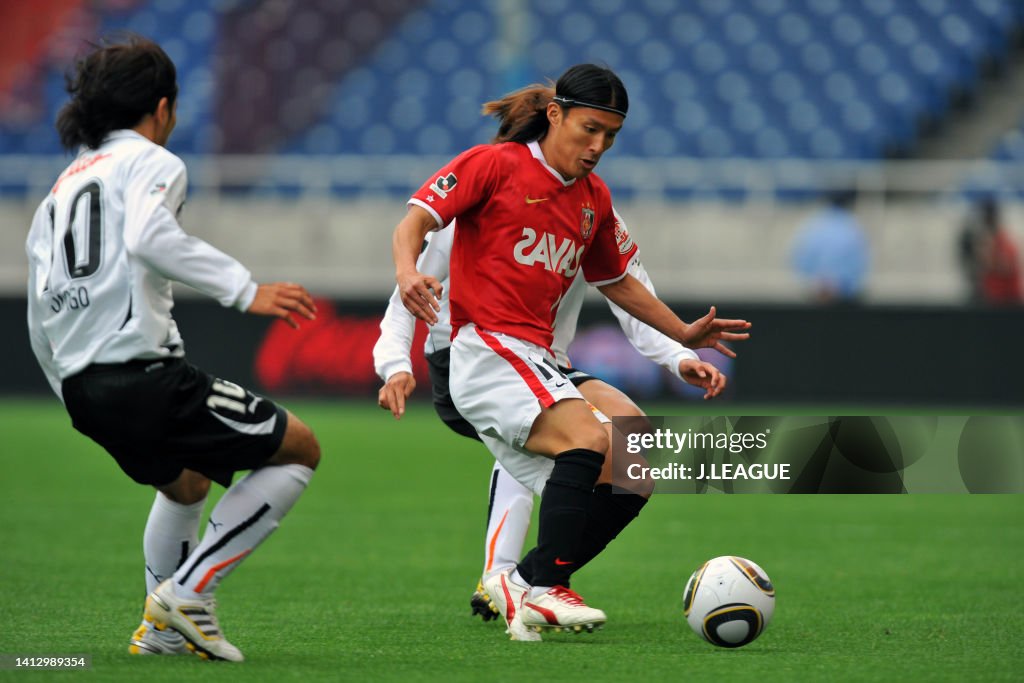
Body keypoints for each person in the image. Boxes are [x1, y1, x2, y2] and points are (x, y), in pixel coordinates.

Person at [390, 63, 750, 638]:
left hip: (538, 357)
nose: (599, 145)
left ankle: (523, 584)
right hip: (486, 347)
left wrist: (681, 335)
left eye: (611, 135)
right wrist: (407, 274)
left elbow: (620, 282)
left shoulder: (592, 198)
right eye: (589, 129)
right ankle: (545, 586)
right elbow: (415, 222)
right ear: (554, 114)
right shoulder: (493, 164)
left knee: (634, 468)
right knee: (584, 436)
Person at [25, 36, 320, 662]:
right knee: (298, 448)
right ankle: (188, 595)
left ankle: (160, 633)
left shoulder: (59, 191)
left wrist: (71, 389)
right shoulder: (152, 162)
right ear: (162, 108)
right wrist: (246, 290)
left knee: (186, 485)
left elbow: (38, 306)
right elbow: (150, 235)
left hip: (82, 388)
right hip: (139, 373)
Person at [374, 217, 728, 631]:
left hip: (545, 364)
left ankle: (519, 581)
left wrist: (676, 357)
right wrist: (395, 365)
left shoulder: (595, 213)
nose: (595, 149)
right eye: (586, 144)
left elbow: (631, 294)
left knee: (631, 434)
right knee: (571, 440)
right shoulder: (485, 199)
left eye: (604, 145)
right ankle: (533, 582)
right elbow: (406, 295)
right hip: (467, 360)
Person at [790, 189, 870, 303]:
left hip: (825, 292)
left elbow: (799, 260)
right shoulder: (853, 226)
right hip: (838, 294)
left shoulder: (813, 225)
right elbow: (860, 265)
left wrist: (819, 282)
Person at [968, 198, 1022, 305]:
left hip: (1007, 300)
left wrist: (989, 260)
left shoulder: (1003, 241)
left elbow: (1006, 266)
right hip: (992, 297)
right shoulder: (985, 240)